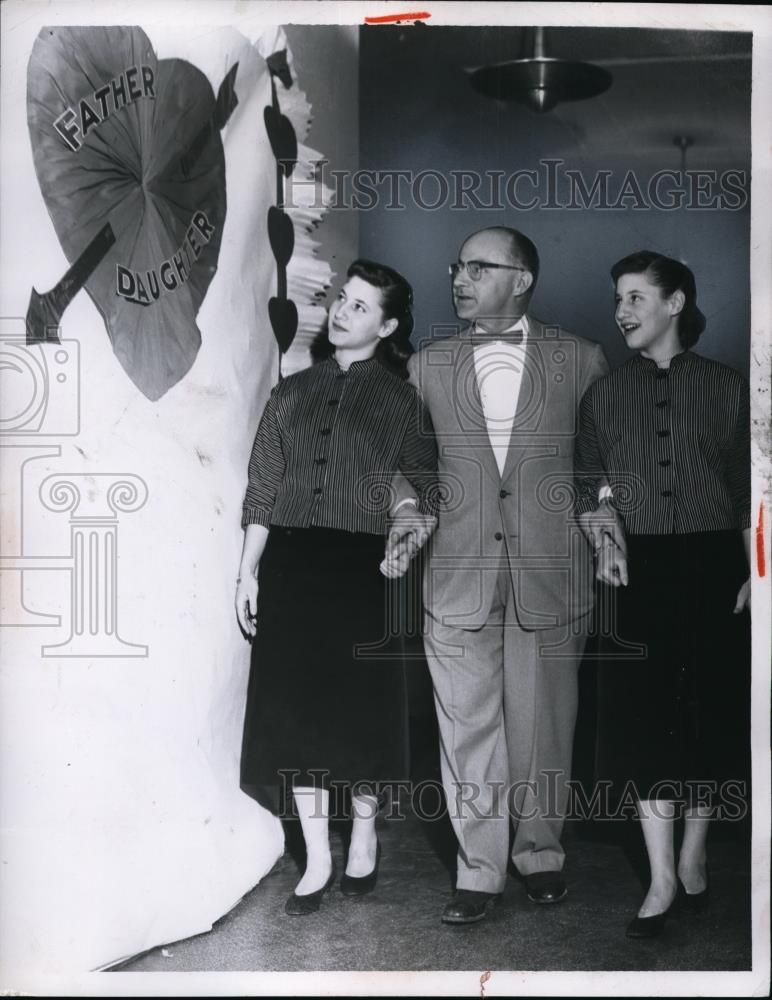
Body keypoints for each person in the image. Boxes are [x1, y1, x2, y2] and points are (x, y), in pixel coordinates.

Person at [387, 226, 612, 924]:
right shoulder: (426, 366)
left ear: (522, 280)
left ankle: (540, 854)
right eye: (458, 266)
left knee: (545, 725)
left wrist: (605, 523)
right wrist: (402, 509)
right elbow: (406, 462)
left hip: (552, 573)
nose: (460, 278)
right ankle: (479, 871)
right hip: (457, 574)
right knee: (466, 729)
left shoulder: (582, 360)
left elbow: (598, 464)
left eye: (480, 268)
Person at [235, 259, 437, 916]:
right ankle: (317, 856)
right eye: (340, 300)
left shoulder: (402, 402)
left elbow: (422, 487)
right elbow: (263, 487)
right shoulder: (289, 392)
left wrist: (406, 529)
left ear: (388, 324)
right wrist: (248, 571)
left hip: (363, 567)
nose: (341, 312)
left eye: (359, 306)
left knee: (358, 712)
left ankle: (366, 831)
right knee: (299, 714)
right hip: (293, 564)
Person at [573, 250, 751, 938]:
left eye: (636, 297)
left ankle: (696, 852)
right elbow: (591, 482)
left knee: (707, 715)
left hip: (713, 566)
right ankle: (661, 875)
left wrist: (753, 574)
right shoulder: (604, 396)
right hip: (637, 569)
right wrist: (607, 538)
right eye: (618, 297)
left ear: (675, 304)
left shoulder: (730, 387)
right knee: (644, 724)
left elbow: (747, 490)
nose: (622, 311)